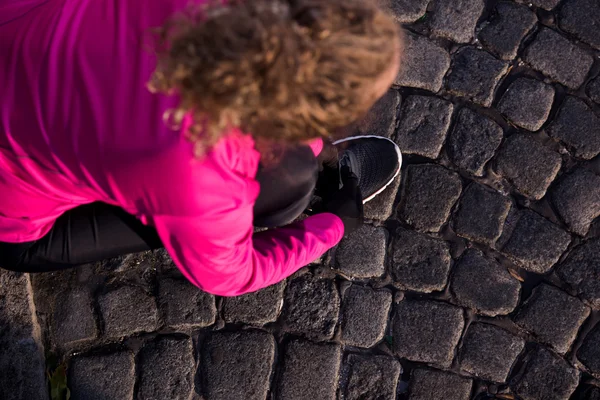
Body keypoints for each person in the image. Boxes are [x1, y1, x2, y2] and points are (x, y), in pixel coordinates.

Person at [0, 0, 403, 296]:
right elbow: (230, 274)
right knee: (287, 185)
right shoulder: (199, 173)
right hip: (11, 223)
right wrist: (331, 227)